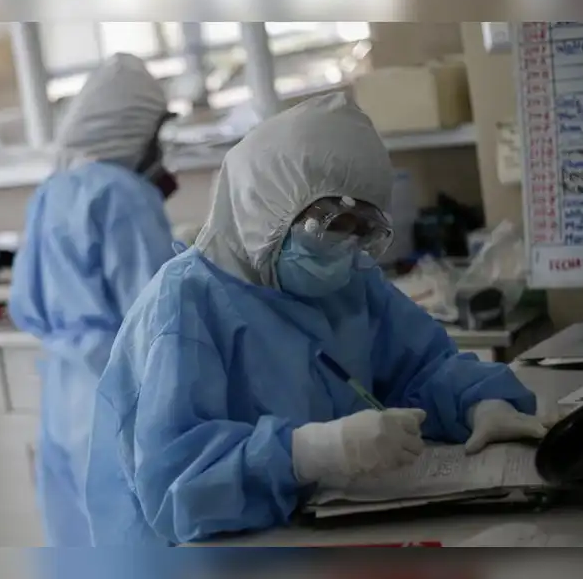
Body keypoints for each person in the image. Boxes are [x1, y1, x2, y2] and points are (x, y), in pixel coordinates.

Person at [84, 93, 547, 546]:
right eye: (334, 224)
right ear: (266, 205)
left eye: (365, 230)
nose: (349, 247)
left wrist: (478, 403)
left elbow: (421, 368)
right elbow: (175, 490)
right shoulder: (184, 305)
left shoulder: (349, 279)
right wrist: (309, 453)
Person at [9, 53, 178, 547]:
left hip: (64, 391)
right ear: (133, 130)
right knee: (133, 535)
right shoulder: (123, 195)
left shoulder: (51, 191)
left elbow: (25, 301)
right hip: (120, 388)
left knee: (79, 533)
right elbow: (152, 313)